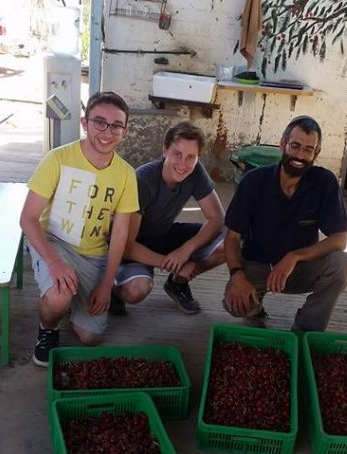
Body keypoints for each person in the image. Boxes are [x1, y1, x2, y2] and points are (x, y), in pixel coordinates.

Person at [20, 91, 139, 367]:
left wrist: (107, 284)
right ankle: (47, 329)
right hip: (56, 243)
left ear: (125, 130)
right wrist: (54, 263)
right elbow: (28, 219)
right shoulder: (57, 159)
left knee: (89, 337)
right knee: (59, 296)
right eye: (100, 122)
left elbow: (120, 234)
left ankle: (73, 302)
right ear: (85, 123)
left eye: (116, 125)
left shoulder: (126, 174)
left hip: (94, 254)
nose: (107, 132)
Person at [222, 115, 347, 331]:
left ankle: (305, 329)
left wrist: (294, 256)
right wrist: (236, 276)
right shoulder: (254, 181)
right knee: (235, 303)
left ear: (316, 153)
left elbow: (339, 240)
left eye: (308, 150)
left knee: (343, 264)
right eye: (295, 146)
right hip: (258, 265)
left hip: (300, 268)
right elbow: (232, 237)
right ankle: (254, 313)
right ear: (283, 144)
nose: (300, 155)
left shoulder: (324, 182)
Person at [112, 121, 226, 315]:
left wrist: (185, 250)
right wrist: (171, 262)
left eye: (191, 157)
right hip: (132, 245)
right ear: (165, 150)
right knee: (136, 291)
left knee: (230, 240)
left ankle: (177, 283)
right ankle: (113, 289)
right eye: (177, 154)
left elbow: (217, 218)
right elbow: (126, 244)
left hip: (163, 234)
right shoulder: (143, 180)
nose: (183, 164)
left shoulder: (196, 171)